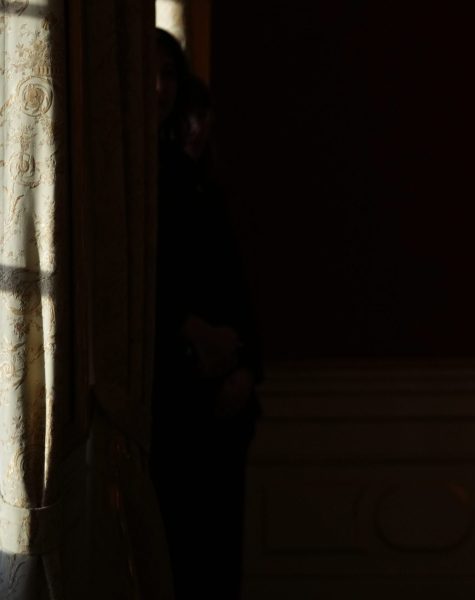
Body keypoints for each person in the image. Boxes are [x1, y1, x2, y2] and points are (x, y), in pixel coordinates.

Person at [152, 28, 262, 600]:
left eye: (169, 74)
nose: (160, 87)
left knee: (217, 562)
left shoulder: (192, 178)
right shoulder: (134, 179)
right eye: (149, 74)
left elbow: (233, 285)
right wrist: (189, 331)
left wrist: (243, 365)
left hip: (221, 392)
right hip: (171, 396)